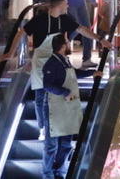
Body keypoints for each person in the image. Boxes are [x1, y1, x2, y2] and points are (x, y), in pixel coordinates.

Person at [24, 0, 107, 171]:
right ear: (60, 4)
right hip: (42, 64)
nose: (68, 5)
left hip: (61, 103)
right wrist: (23, 57)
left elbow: (83, 30)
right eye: (66, 3)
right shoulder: (39, 20)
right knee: (41, 99)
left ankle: (56, 168)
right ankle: (42, 134)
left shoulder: (65, 25)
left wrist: (99, 41)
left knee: (64, 144)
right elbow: (21, 33)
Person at [41, 34, 82, 179]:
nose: (69, 44)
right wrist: (64, 92)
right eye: (68, 42)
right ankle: (47, 174)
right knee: (51, 145)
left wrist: (93, 73)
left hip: (67, 108)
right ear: (63, 46)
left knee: (65, 144)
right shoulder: (52, 63)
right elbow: (47, 85)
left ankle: (59, 171)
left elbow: (75, 74)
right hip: (54, 108)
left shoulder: (65, 61)